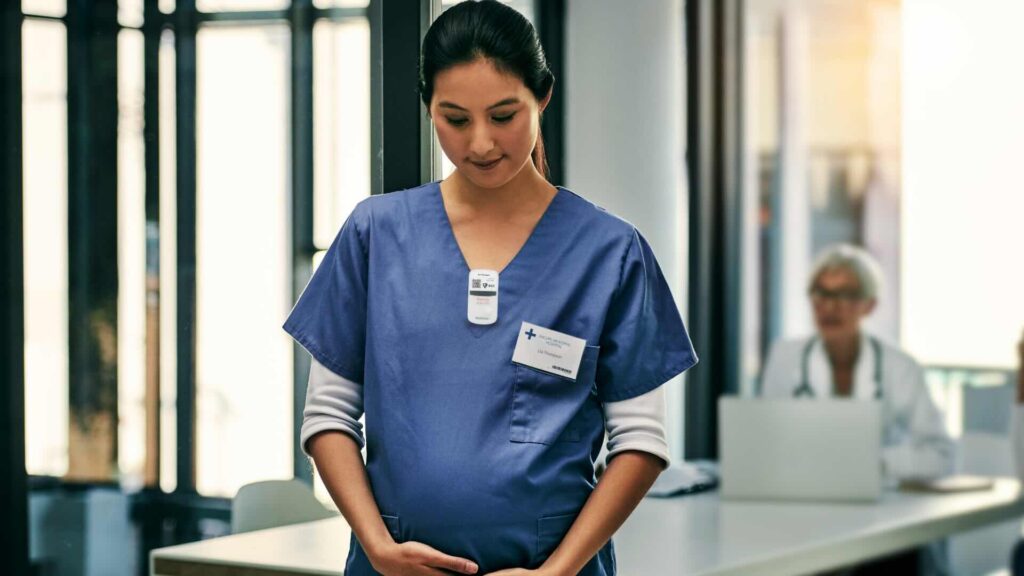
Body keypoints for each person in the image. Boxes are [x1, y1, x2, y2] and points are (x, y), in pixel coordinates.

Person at [283, 2, 698, 575]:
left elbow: (641, 440)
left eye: (504, 115)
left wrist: (557, 572)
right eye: (455, 119)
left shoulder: (609, 252)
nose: (480, 143)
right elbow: (327, 414)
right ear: (428, 106)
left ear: (542, 96)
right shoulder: (374, 235)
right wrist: (378, 548)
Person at [758, 244, 955, 575]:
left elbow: (942, 455)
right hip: (802, 513)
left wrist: (873, 464)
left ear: (870, 304)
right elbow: (766, 444)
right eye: (820, 293)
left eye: (845, 295)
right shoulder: (785, 357)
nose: (829, 307)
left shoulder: (900, 368)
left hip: (882, 516)